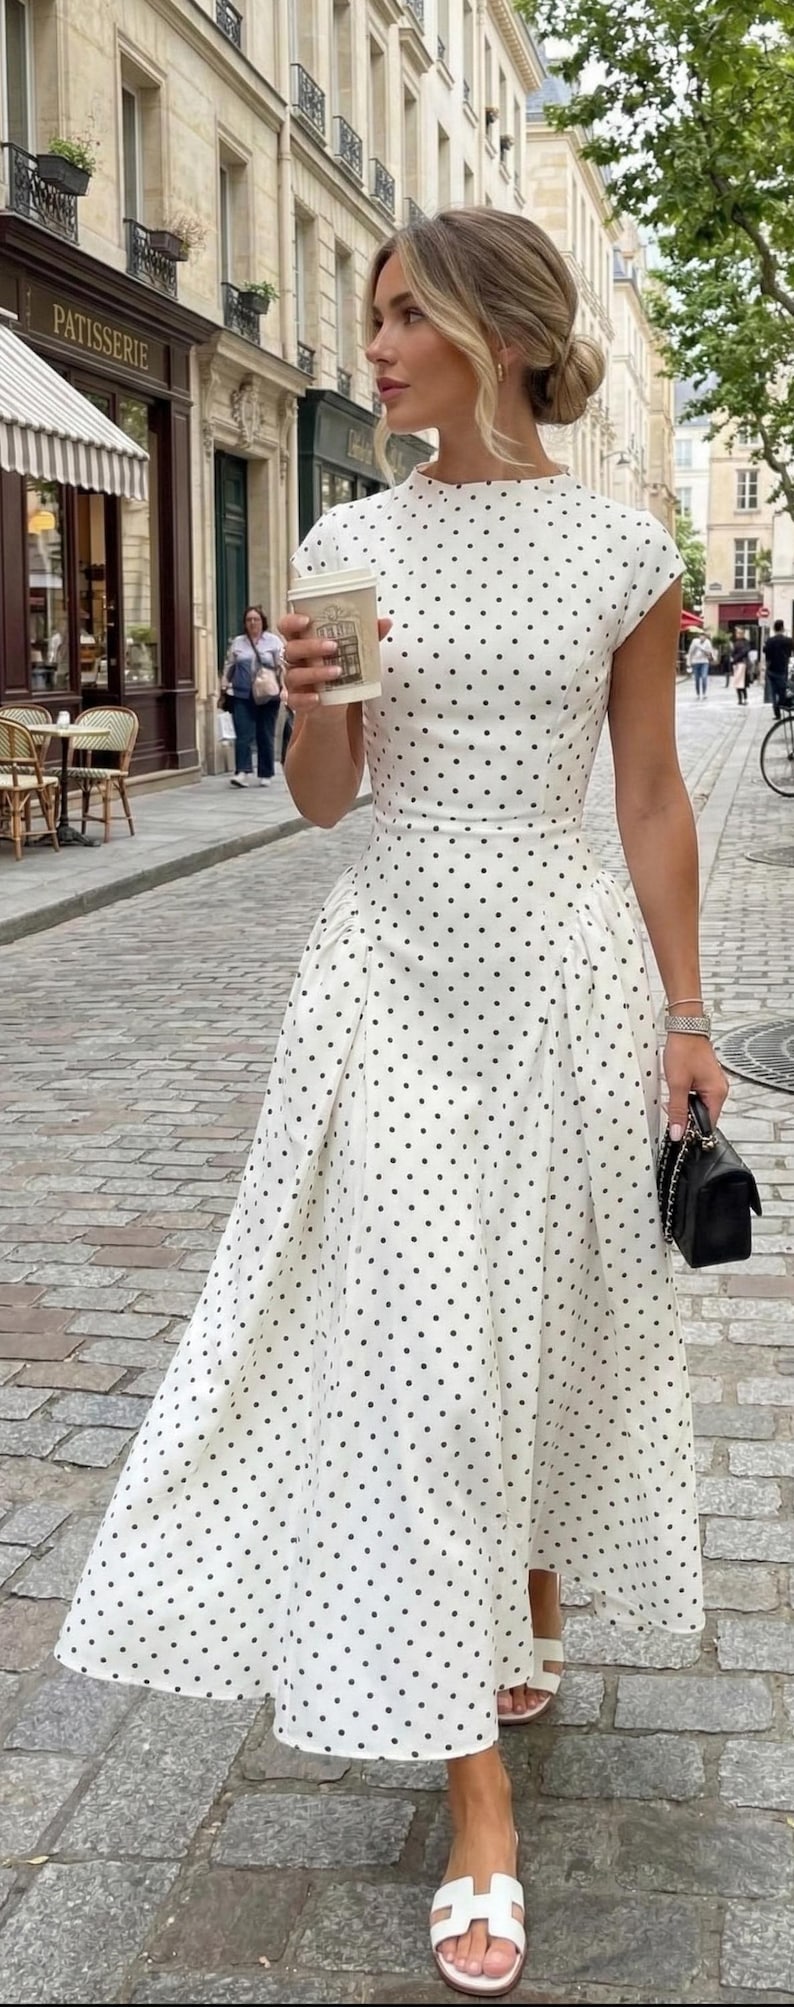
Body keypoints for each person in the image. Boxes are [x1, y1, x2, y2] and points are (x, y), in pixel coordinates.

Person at [55, 208, 727, 1999]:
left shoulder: (621, 547)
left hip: (561, 977)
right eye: (369, 316)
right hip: (388, 981)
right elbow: (325, 801)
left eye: (404, 312)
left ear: (502, 330)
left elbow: (649, 794)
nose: (371, 345)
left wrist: (684, 1012)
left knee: (543, 1318)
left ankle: (523, 1607)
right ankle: (475, 1803)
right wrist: (308, 698)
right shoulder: (345, 536)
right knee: (423, 1357)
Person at [220, 606, 284, 787]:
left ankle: (266, 773)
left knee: (265, 733)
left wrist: (285, 688)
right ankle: (242, 772)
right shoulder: (238, 642)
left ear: (263, 622)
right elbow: (230, 665)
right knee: (243, 734)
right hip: (242, 694)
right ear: (245, 623)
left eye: (256, 619)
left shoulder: (273, 641)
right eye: (249, 620)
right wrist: (224, 684)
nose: (253, 623)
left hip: (268, 694)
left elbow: (282, 667)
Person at [764, 620, 794, 719]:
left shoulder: (769, 641)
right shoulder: (788, 640)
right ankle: (782, 704)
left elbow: (766, 655)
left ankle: (777, 713)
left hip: (771, 669)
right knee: (782, 689)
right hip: (782, 669)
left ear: (774, 628)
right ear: (782, 628)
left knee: (774, 691)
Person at [686, 631, 714, 698]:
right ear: (699, 636)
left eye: (704, 636)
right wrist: (689, 662)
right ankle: (698, 693)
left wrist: (703, 649)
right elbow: (690, 652)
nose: (702, 637)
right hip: (695, 662)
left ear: (705, 637)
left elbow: (709, 653)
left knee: (704, 677)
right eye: (701, 635)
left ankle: (704, 693)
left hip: (704, 662)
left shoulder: (707, 642)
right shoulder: (695, 641)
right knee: (697, 679)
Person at [731, 630, 751, 705]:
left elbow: (744, 652)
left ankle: (745, 698)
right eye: (737, 633)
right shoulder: (736, 643)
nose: (737, 635)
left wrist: (735, 658)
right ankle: (740, 699)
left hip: (743, 663)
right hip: (737, 664)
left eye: (739, 633)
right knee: (738, 682)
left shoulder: (746, 643)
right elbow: (733, 652)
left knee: (743, 683)